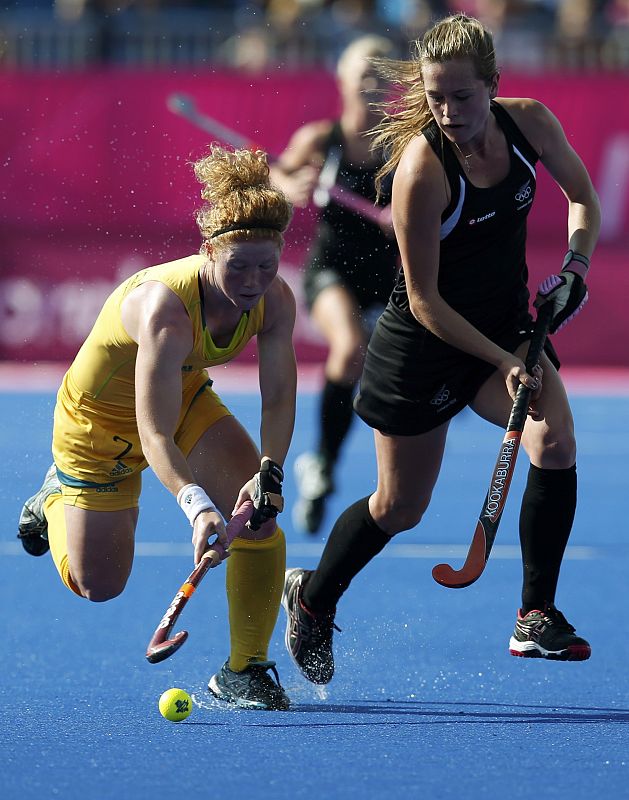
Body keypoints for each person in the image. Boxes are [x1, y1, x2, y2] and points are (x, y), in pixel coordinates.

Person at [281, 13, 600, 685]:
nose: (449, 112)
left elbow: (583, 199)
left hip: (505, 326)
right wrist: (505, 362)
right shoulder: (422, 170)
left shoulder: (531, 124)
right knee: (399, 507)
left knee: (555, 441)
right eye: (435, 97)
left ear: (492, 85)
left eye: (462, 95)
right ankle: (312, 598)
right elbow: (424, 301)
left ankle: (534, 615)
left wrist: (575, 266)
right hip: (423, 346)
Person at [17, 145, 297, 711]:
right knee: (99, 585)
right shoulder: (165, 310)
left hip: (185, 399)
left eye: (266, 266)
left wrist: (269, 470)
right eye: (238, 266)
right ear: (208, 250)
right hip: (98, 426)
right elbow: (153, 435)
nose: (252, 281)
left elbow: (279, 398)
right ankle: (53, 498)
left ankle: (244, 669)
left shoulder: (275, 300)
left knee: (259, 518)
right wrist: (197, 506)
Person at [269, 35, 399, 534]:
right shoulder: (322, 140)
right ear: (342, 79)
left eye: (381, 73)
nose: (371, 83)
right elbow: (272, 180)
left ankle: (333, 463)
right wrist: (288, 187)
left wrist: (406, 214)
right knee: (349, 349)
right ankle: (320, 463)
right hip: (332, 270)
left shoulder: (404, 146)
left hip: (388, 277)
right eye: (363, 72)